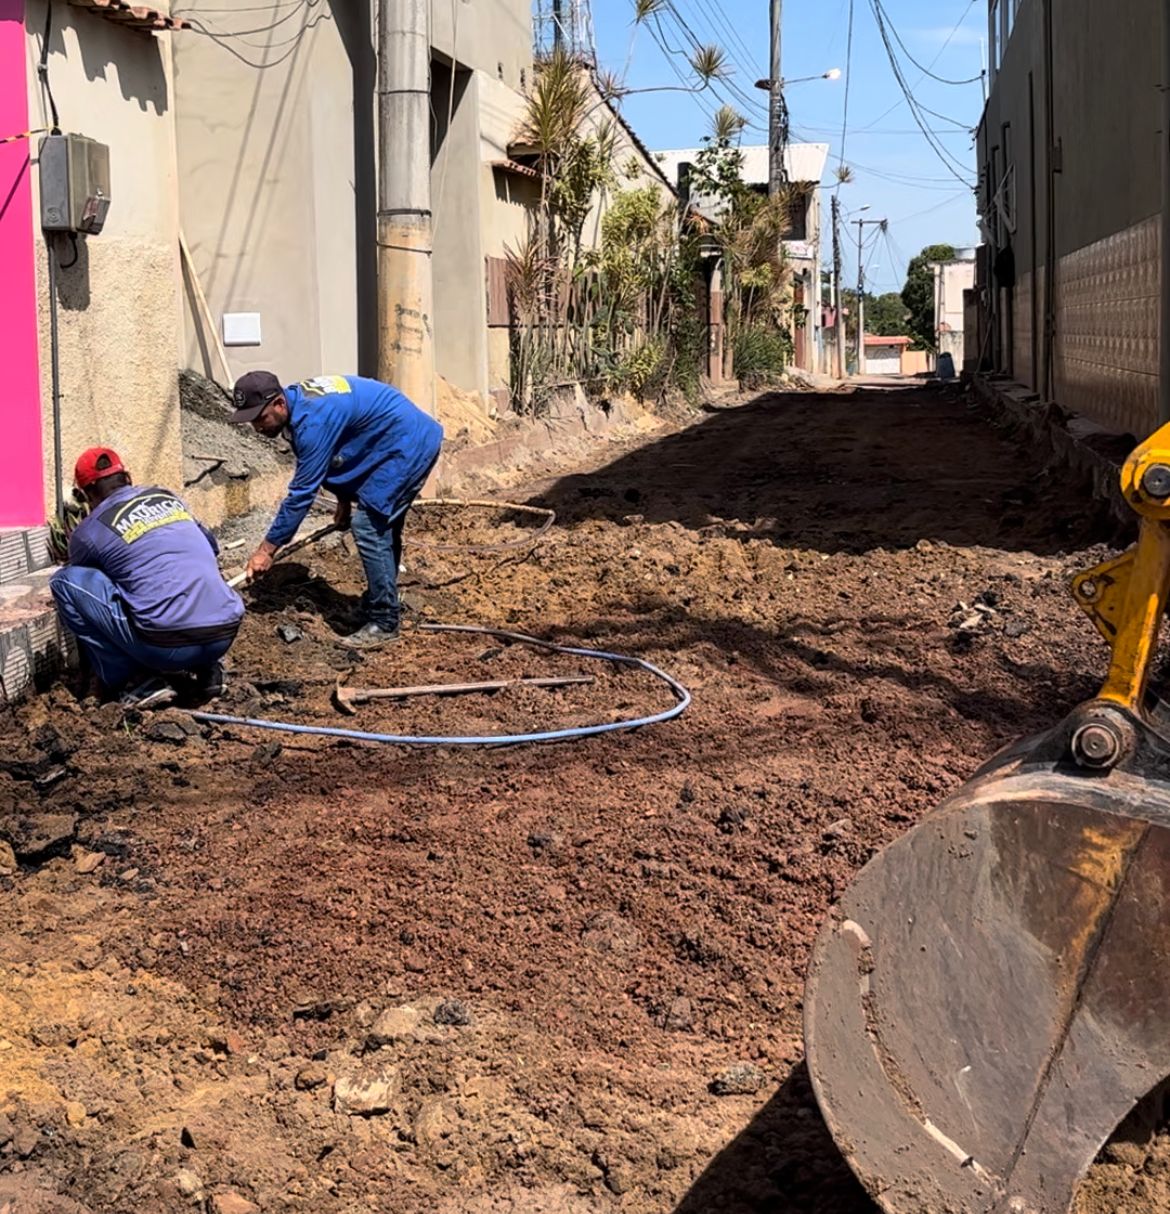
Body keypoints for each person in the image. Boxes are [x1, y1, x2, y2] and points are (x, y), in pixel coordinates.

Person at [231, 371, 443, 648]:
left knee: (369, 527)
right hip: (393, 441)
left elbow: (301, 495)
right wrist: (344, 500)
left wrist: (266, 550)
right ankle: (380, 602)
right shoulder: (299, 406)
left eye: (260, 418)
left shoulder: (312, 421)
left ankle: (384, 621)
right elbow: (339, 451)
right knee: (381, 527)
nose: (257, 427)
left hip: (407, 445)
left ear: (279, 404)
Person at [50, 448, 245, 708]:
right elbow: (211, 546)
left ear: (88, 493)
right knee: (183, 572)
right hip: (224, 634)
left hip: (165, 648)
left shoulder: (90, 530)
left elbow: (88, 577)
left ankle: (134, 683)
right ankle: (210, 671)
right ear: (127, 478)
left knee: (65, 581)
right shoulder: (167, 498)